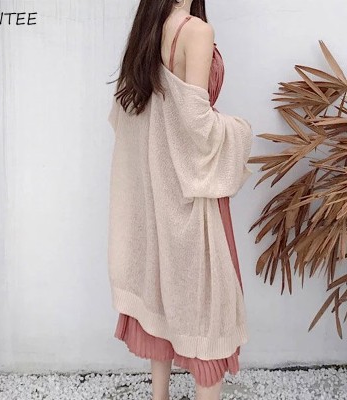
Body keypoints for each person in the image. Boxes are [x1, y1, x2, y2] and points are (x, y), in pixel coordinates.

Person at [107, 1, 253, 399]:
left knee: (161, 298)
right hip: (192, 192)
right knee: (208, 314)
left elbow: (132, 114)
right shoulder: (197, 31)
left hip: (157, 192)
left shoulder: (149, 27)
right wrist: (240, 130)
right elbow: (198, 126)